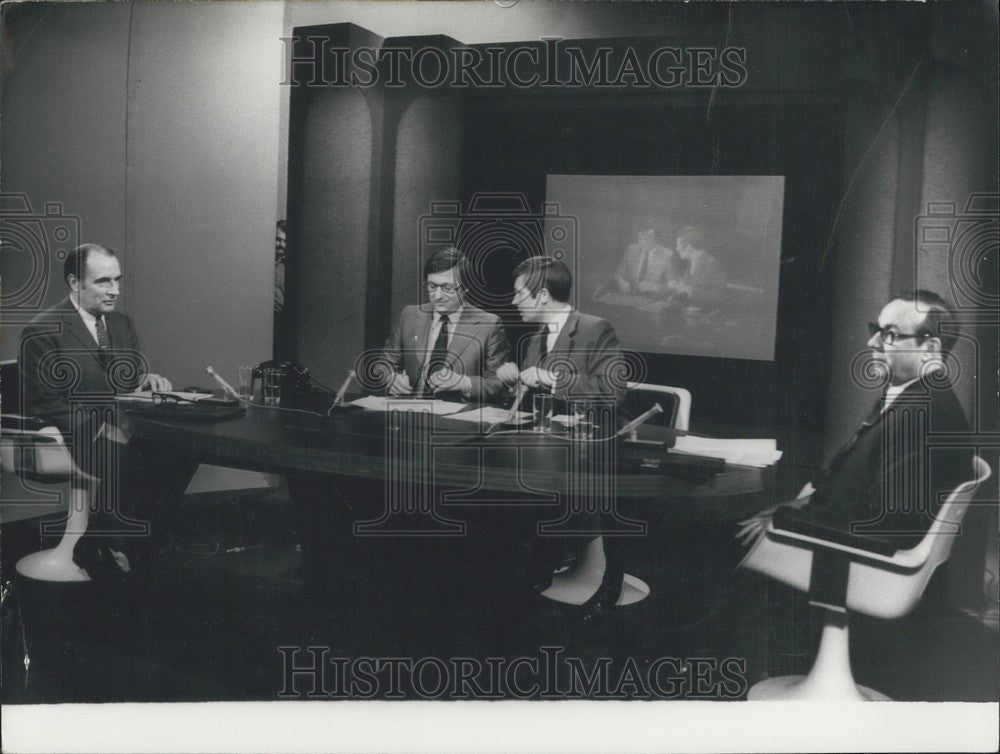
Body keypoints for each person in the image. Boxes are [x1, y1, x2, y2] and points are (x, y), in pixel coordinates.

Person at [737, 290, 974, 550]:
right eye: (876, 329)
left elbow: (890, 525)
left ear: (930, 349)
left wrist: (786, 520)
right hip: (822, 521)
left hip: (837, 551)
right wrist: (798, 504)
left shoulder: (919, 415)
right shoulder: (915, 394)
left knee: (720, 535)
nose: (872, 343)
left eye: (890, 334)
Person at [21, 243, 196, 578]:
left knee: (183, 450)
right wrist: (101, 428)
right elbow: (46, 403)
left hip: (123, 425)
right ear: (75, 283)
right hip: (70, 433)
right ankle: (117, 541)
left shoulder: (121, 324)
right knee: (140, 457)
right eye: (103, 281)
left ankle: (112, 536)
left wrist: (146, 379)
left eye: (117, 280)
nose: (114, 290)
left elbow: (124, 380)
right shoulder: (42, 330)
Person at [497, 256, 629, 622]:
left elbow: (613, 393)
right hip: (551, 448)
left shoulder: (595, 328)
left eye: (519, 294)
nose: (514, 302)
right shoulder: (536, 338)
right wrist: (513, 381)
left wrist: (551, 379)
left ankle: (611, 581)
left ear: (541, 296)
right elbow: (531, 397)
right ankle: (537, 568)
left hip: (595, 447)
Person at [381, 246, 511, 403]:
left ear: (466, 287)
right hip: (409, 411)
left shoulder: (489, 325)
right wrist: (391, 378)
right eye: (432, 286)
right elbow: (384, 363)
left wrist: (464, 383)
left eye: (447, 288)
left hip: (457, 421)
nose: (438, 296)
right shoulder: (409, 315)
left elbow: (500, 385)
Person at [614, 226, 681, 297]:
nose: (642, 243)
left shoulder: (668, 256)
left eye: (647, 239)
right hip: (629, 297)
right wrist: (621, 282)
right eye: (640, 239)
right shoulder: (631, 250)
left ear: (656, 240)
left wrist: (654, 288)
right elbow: (618, 274)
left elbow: (673, 287)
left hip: (653, 299)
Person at [669, 226, 726, 304]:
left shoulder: (712, 263)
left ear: (689, 247)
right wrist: (672, 297)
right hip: (690, 309)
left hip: (705, 312)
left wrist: (687, 289)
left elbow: (718, 296)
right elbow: (685, 288)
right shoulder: (691, 261)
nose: (676, 249)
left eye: (678, 245)